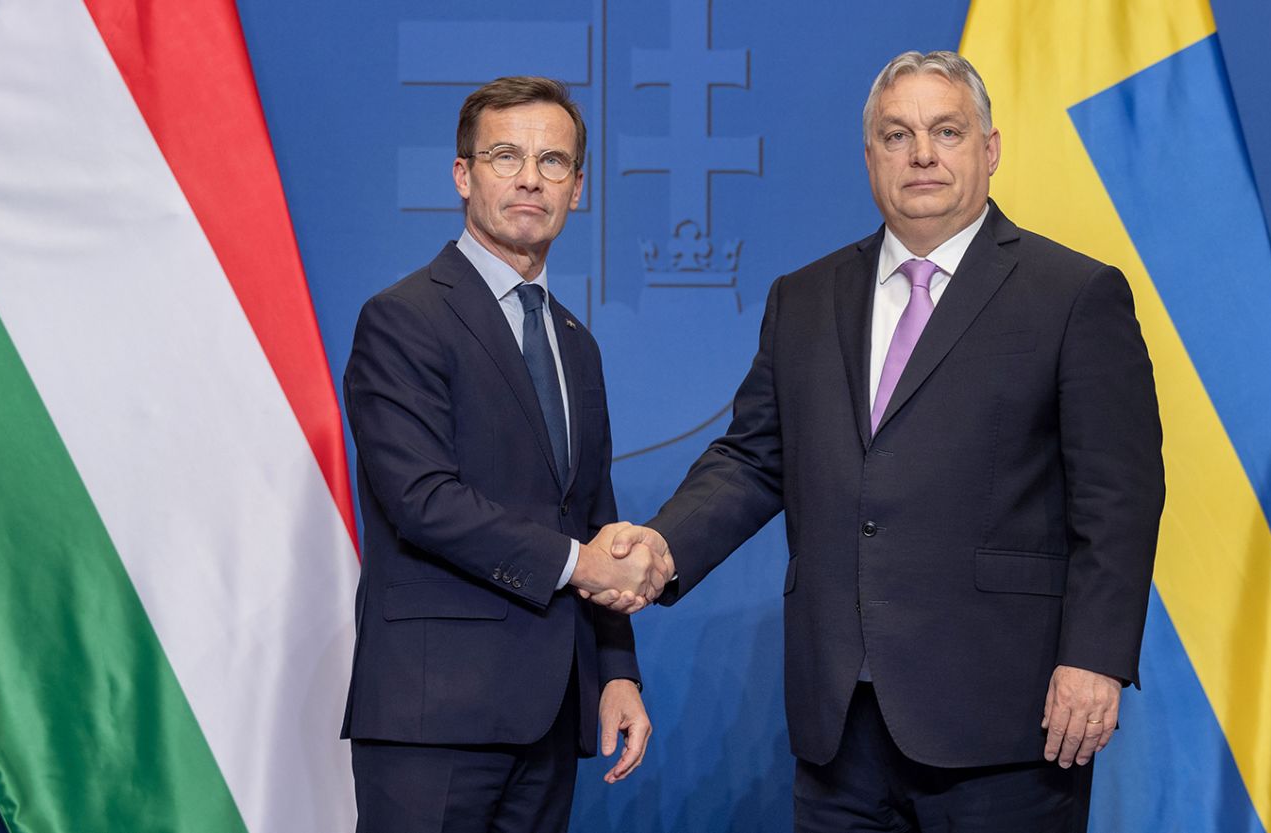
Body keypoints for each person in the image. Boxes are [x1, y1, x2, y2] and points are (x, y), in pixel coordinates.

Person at [606, 51, 1165, 831]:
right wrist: (664, 546)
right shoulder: (803, 298)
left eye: (947, 131)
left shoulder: (1074, 293)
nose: (923, 154)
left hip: (1007, 722)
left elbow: (1120, 499)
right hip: (840, 724)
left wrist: (1096, 656)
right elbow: (755, 456)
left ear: (991, 148)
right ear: (871, 156)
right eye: (897, 135)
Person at [340, 76, 672, 832]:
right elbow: (423, 500)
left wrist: (617, 670)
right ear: (463, 175)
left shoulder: (576, 345)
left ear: (577, 189)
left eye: (553, 162)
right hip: (433, 719)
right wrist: (580, 562)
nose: (530, 177)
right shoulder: (403, 318)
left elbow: (593, 514)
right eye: (505, 156)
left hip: (552, 714)